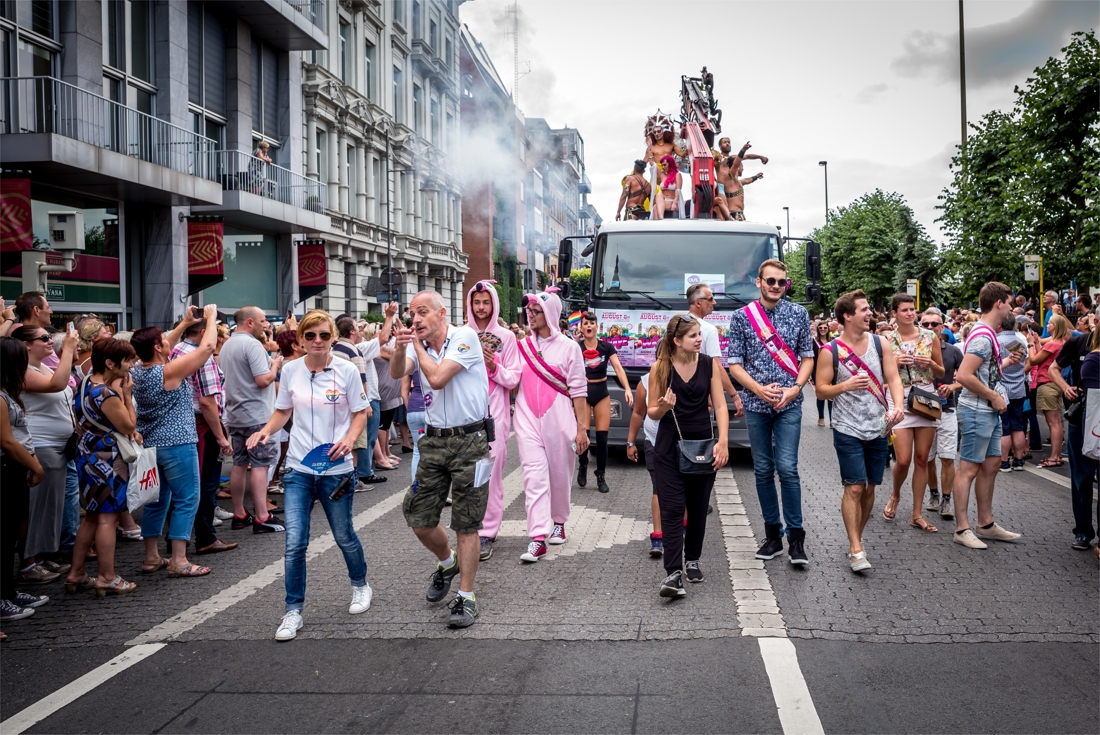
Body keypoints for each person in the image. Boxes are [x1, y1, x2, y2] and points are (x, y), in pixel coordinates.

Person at [245, 311, 370, 641]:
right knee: (294, 543)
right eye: (311, 335)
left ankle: (360, 585)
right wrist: (265, 431)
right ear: (300, 339)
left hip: (336, 471)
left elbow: (361, 413)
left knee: (343, 536)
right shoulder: (289, 371)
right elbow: (283, 410)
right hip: (299, 469)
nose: (317, 341)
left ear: (332, 338)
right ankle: (293, 611)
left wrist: (348, 440)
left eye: (324, 336)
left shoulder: (346, 370)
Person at [390, 291, 491, 628]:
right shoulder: (420, 347)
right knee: (418, 517)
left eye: (421, 313)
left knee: (466, 523)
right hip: (433, 439)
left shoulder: (464, 336)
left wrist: (415, 346)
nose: (415, 319)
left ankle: (466, 598)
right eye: (411, 314)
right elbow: (395, 373)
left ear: (441, 313)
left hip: (470, 441)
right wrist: (402, 345)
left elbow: (437, 378)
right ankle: (448, 563)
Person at [727, 259, 815, 565]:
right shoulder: (741, 317)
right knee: (763, 469)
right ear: (759, 282)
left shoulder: (799, 313)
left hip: (789, 404)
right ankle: (772, 536)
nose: (776, 286)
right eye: (771, 281)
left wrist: (796, 388)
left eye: (781, 282)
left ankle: (796, 539)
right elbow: (734, 363)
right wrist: (757, 390)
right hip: (755, 405)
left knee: (788, 468)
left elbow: (807, 357)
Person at [814, 290, 905, 572]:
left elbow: (893, 378)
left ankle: (858, 536)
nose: (870, 314)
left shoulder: (881, 344)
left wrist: (898, 406)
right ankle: (855, 548)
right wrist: (846, 386)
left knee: (870, 488)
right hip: (847, 427)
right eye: (864, 310)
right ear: (847, 316)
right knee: (854, 486)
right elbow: (820, 389)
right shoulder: (830, 351)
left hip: (878, 427)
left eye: (869, 309)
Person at [131, 306, 221, 578]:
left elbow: (155, 345)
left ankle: (151, 557)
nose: (170, 340)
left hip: (150, 445)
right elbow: (205, 350)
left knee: (156, 501)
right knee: (187, 498)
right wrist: (212, 318)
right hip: (177, 443)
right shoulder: (167, 373)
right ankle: (179, 560)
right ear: (159, 348)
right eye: (164, 340)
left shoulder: (137, 371)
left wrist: (183, 324)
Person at [648, 314, 729, 596]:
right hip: (669, 445)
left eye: (699, 335)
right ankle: (673, 574)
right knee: (671, 509)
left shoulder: (708, 365)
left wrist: (723, 442)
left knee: (697, 508)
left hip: (703, 445)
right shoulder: (660, 367)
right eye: (694, 335)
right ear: (677, 340)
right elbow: (652, 412)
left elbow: (720, 405)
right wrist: (664, 406)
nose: (699, 339)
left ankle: (692, 559)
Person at [512, 289, 589, 562]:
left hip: (560, 419)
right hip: (526, 419)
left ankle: (559, 521)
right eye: (528, 311)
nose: (529, 315)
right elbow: (511, 380)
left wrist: (582, 429)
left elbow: (579, 391)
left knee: (559, 474)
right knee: (534, 476)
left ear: (551, 314)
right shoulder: (521, 347)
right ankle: (537, 537)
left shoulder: (570, 347)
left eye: (536, 311)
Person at [952, 281, 1026, 549]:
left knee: (992, 464)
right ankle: (962, 529)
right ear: (999, 304)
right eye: (1009, 302)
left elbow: (983, 371)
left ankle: (986, 523)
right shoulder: (983, 336)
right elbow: (964, 375)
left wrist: (1005, 363)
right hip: (977, 410)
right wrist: (994, 396)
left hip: (988, 410)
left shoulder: (986, 333)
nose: (1011, 308)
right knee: (969, 469)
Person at [65, 337, 140, 597]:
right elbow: (128, 426)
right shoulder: (106, 393)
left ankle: (76, 573)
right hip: (107, 461)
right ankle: (107, 576)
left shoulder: (84, 383)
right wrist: (128, 397)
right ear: (110, 363)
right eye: (127, 360)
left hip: (86, 457)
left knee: (92, 518)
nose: (131, 365)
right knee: (109, 518)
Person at [10, 325, 78, 584]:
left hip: (58, 446)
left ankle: (39, 555)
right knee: (35, 508)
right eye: (44, 338)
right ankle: (28, 563)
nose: (50, 341)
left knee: (51, 506)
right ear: (26, 344)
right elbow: (57, 384)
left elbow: (64, 390)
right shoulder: (21, 371)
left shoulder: (43, 366)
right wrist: (69, 349)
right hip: (41, 445)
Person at [169, 314, 238, 557]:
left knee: (179, 487)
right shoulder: (202, 357)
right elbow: (208, 403)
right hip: (201, 425)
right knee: (205, 484)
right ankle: (205, 537)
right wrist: (220, 437)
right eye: (214, 332)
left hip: (182, 423)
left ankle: (178, 538)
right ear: (202, 334)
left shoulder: (175, 347)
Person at [465, 281, 521, 561]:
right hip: (465, 416)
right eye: (477, 303)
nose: (481, 308)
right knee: (468, 477)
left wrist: (493, 366)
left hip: (495, 416)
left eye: (486, 302)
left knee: (492, 475)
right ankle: (469, 531)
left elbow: (513, 377)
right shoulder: (461, 335)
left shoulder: (506, 338)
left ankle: (487, 533)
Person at [882, 294, 944, 532]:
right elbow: (880, 372)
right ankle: (895, 494)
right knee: (903, 459)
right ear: (895, 313)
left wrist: (929, 364)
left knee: (922, 459)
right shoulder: (887, 339)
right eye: (905, 310)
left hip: (925, 398)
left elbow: (941, 372)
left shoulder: (930, 337)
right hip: (899, 397)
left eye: (913, 309)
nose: (910, 313)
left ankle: (916, 513)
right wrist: (895, 362)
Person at [221, 306, 284, 533]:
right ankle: (262, 516)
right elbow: (262, 380)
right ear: (250, 322)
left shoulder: (227, 344)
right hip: (257, 415)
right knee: (260, 464)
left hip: (236, 414)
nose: (266, 325)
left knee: (239, 463)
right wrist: (275, 366)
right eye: (263, 321)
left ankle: (239, 513)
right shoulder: (252, 344)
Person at [1, 337, 50, 620]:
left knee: (11, 536)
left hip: (17, 468)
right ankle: (3, 596)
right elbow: (8, 441)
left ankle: (8, 591)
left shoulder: (8, 392)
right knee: (5, 536)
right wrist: (37, 466)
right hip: (7, 468)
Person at [1048, 309, 1099, 550]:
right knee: (1082, 478)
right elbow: (1053, 369)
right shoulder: (1078, 342)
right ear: (1094, 320)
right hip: (1081, 419)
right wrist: (1066, 387)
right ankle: (1083, 531)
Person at [576, 311, 633, 494]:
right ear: (582, 327)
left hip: (601, 392)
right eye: (586, 323)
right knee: (583, 434)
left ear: (596, 326)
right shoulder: (576, 347)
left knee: (602, 438)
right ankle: (583, 464)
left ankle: (601, 475)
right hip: (583, 393)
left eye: (592, 323)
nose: (589, 326)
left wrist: (627, 388)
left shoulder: (606, 347)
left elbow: (618, 367)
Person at [919, 309, 964, 520]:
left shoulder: (953, 351)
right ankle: (934, 494)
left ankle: (946, 499)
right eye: (925, 324)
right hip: (922, 410)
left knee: (947, 456)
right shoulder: (915, 350)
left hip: (947, 409)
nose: (929, 328)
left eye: (934, 324)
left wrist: (952, 387)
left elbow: (966, 377)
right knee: (926, 458)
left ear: (942, 327)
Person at [686, 284, 744, 419]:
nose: (714, 302)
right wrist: (735, 396)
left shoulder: (676, 324)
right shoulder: (708, 329)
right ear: (698, 303)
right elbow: (716, 367)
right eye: (710, 299)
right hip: (701, 396)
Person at [626, 371, 664, 557]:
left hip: (682, 444)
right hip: (654, 441)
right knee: (658, 488)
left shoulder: (689, 374)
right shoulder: (647, 380)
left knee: (683, 489)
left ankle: (682, 532)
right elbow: (638, 412)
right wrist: (630, 443)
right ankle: (658, 537)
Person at [1026, 313, 1069, 468]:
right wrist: (1037, 343)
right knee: (1056, 422)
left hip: (1047, 383)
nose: (1047, 325)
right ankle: (1056, 455)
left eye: (1049, 323)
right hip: (1055, 383)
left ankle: (1054, 456)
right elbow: (1044, 357)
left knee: (1053, 423)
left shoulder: (1053, 344)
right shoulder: (1061, 343)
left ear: (1055, 326)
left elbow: (1034, 360)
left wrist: (1031, 344)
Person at [996, 316, 1029, 474]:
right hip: (1018, 388)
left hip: (1002, 390)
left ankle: (1004, 462)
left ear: (1000, 324)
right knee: (1018, 426)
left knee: (1004, 428)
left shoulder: (996, 341)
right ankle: (1018, 460)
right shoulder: (1020, 341)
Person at [811, 320, 833, 426]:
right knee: (821, 393)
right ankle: (821, 417)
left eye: (825, 328)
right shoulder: (813, 342)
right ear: (818, 330)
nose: (823, 330)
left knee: (831, 393)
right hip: (817, 370)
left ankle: (832, 419)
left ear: (828, 329)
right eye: (821, 328)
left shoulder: (832, 341)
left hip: (831, 370)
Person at [653, 155, 683, 220]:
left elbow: (678, 190)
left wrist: (674, 203)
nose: (663, 167)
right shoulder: (662, 175)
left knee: (655, 207)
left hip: (672, 201)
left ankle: (660, 220)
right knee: (658, 195)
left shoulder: (677, 175)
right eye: (662, 165)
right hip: (662, 200)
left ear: (670, 164)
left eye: (665, 165)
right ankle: (659, 222)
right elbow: (653, 165)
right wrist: (650, 149)